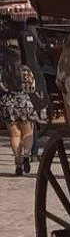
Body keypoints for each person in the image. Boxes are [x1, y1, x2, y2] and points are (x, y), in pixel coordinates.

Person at [0, 33, 36, 175]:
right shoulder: (25, 70)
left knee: (15, 135)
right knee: (27, 133)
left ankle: (18, 164)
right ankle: (27, 155)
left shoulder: (3, 72)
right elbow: (32, 87)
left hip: (8, 104)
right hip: (24, 103)